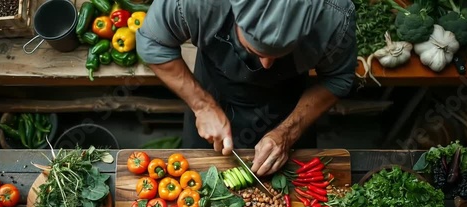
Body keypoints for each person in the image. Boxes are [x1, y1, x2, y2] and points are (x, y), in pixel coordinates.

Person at [136, 0, 357, 176]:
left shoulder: (334, 13)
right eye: (256, 51)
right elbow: (152, 42)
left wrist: (289, 132)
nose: (266, 66)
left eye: (280, 55)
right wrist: (202, 105)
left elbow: (338, 78)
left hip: (288, 100)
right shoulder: (197, 3)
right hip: (213, 86)